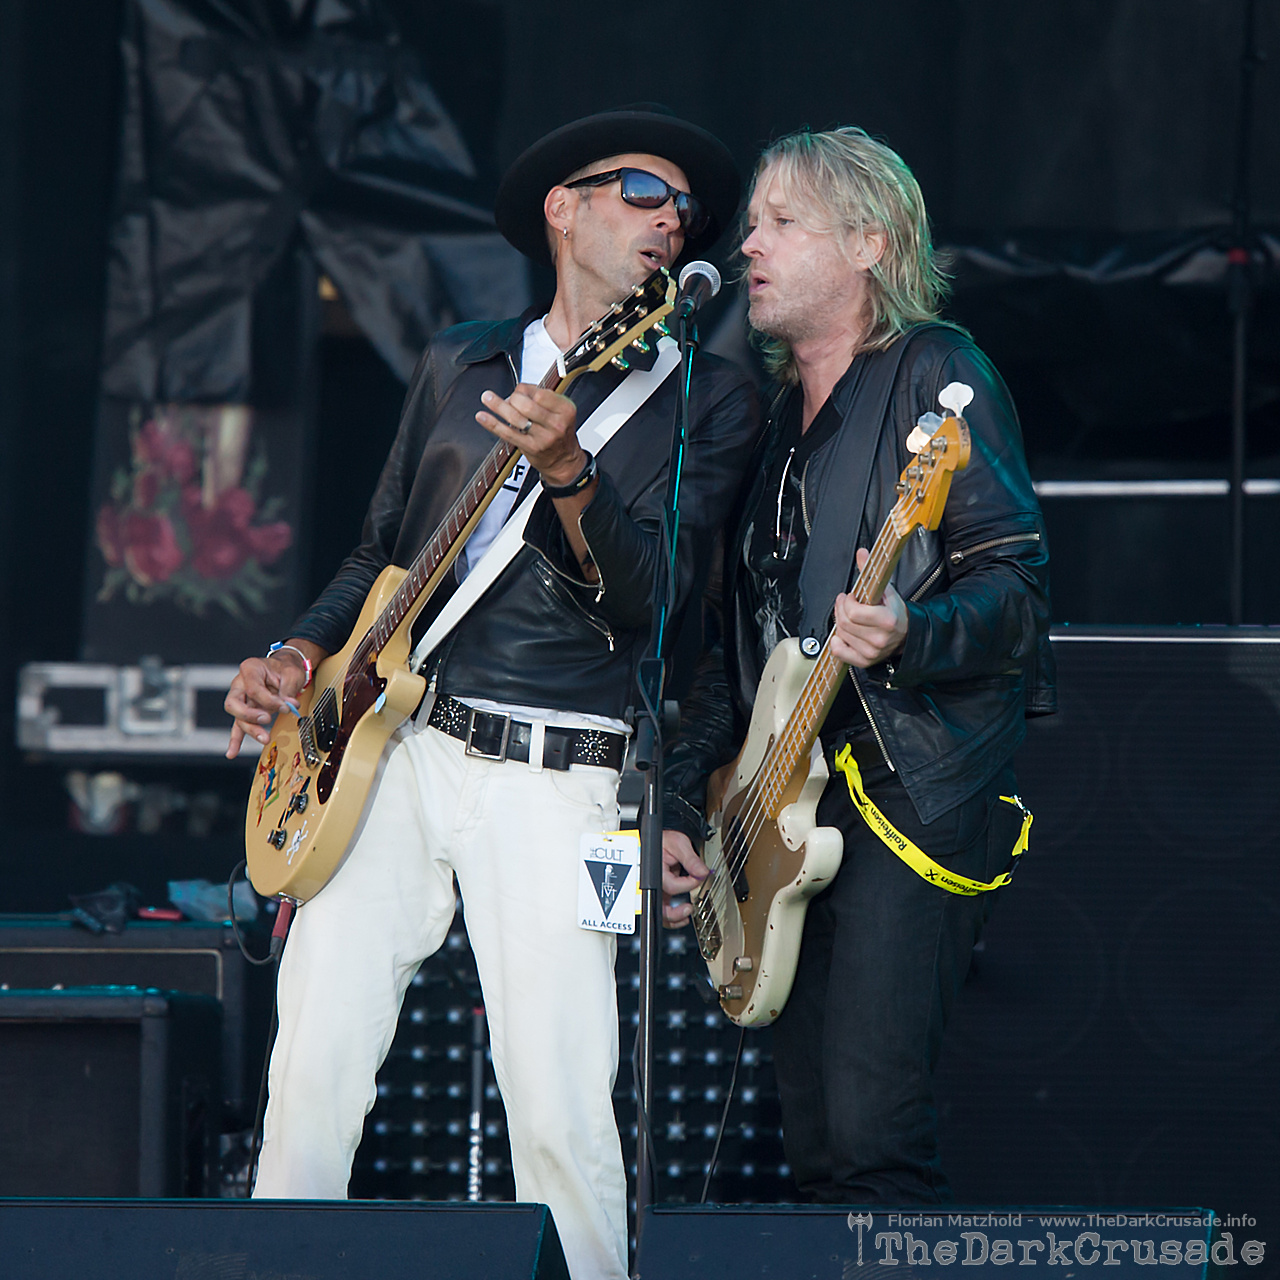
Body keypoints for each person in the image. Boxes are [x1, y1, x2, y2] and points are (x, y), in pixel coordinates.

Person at [224, 107, 758, 1279]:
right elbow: (381, 552)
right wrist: (298, 654)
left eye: (684, 208)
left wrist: (568, 468)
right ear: (563, 209)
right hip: (398, 746)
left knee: (561, 1104)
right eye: (641, 190)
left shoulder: (704, 400)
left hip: (562, 770)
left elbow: (655, 601)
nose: (671, 218)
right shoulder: (458, 360)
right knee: (310, 1062)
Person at [661, 126, 1055, 1205]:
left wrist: (910, 633)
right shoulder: (767, 428)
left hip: (906, 787)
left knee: (874, 1133)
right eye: (751, 224)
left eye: (781, 222)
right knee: (816, 1144)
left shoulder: (938, 374)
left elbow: (1017, 595)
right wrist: (684, 800)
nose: (747, 245)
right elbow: (737, 659)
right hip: (782, 812)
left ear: (869, 243)